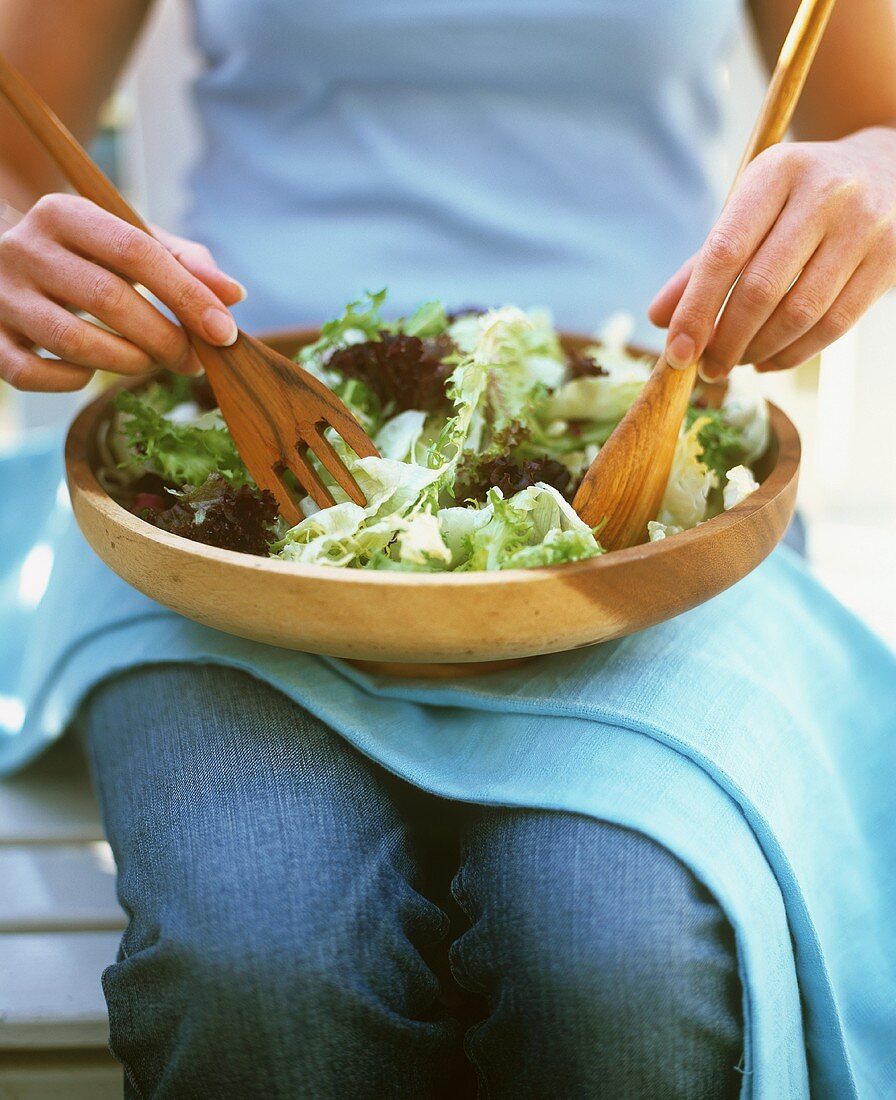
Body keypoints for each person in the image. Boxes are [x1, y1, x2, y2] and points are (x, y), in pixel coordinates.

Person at [1, 2, 895, 1098]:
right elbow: (16, 138)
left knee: (620, 963)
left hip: (648, 480)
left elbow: (879, 121)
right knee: (256, 963)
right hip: (229, 471)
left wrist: (873, 174)